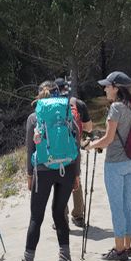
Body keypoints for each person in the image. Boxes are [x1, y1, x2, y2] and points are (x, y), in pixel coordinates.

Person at [14, 82, 79, 261]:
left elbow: (30, 149)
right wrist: (76, 173)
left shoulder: (34, 117)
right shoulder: (67, 113)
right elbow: (75, 142)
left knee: (36, 217)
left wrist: (29, 175)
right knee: (60, 213)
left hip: (43, 170)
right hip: (67, 167)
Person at [85, 71, 131, 261]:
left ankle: (119, 250)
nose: (105, 89)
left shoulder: (116, 107)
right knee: (127, 205)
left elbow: (108, 139)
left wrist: (91, 145)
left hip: (116, 163)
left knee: (117, 207)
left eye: (107, 86)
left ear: (116, 88)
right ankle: (127, 246)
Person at [54, 78, 93, 228]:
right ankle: (78, 216)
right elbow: (89, 128)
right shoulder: (78, 104)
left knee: (58, 183)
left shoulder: (50, 106)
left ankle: (61, 218)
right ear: (67, 88)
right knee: (76, 179)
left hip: (56, 150)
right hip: (74, 149)